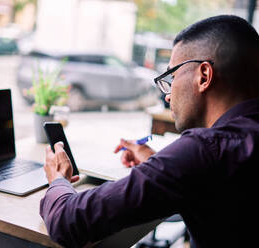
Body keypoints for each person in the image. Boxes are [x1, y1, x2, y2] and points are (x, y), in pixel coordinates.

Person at [40, 15, 259, 248]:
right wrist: (158, 162)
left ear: (203, 76)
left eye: (172, 77)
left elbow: (68, 221)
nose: (167, 94)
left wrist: (58, 178)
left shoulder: (204, 150)